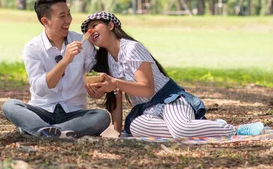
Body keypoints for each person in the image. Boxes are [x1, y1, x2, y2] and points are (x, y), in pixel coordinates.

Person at [82, 11, 237, 138]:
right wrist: (117, 132)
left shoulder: (131, 48)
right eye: (88, 29)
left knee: (182, 130)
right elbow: (116, 97)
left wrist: (115, 83)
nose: (90, 31)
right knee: (136, 127)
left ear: (110, 25)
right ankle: (193, 128)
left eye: (94, 25)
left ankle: (228, 129)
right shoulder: (108, 60)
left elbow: (147, 89)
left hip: (169, 100)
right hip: (148, 111)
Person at [2, 0, 111, 138]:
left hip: (74, 113)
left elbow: (92, 74)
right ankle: (48, 129)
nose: (68, 20)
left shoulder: (83, 41)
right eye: (62, 16)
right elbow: (40, 89)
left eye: (69, 14)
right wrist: (65, 61)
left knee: (102, 117)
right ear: (45, 21)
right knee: (10, 106)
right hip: (41, 111)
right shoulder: (33, 48)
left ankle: (42, 131)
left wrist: (96, 88)